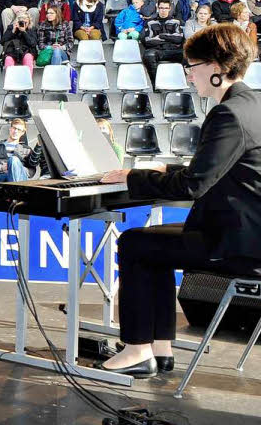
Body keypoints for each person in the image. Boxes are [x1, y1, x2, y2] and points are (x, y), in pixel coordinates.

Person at [100, 24, 261, 376]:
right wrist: (165, 166)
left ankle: (138, 350)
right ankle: (160, 348)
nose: (188, 75)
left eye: (192, 66)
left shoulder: (228, 114)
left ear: (217, 68)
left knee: (134, 244)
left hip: (237, 245)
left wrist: (134, 176)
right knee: (151, 245)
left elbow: (193, 186)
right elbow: (220, 168)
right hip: (247, 235)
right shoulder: (253, 103)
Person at [0, 119, 41, 193]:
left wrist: (16, 168)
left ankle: (16, 196)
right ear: (10, 129)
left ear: (23, 132)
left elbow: (32, 170)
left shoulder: (26, 149)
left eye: (19, 130)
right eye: (14, 128)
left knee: (13, 160)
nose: (16, 131)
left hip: (19, 178)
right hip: (1, 177)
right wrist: (1, 167)